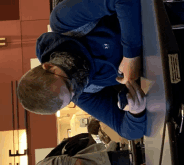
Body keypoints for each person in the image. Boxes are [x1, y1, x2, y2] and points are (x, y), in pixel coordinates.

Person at [17, 0, 147, 141]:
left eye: (67, 84)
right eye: (71, 96)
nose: (77, 88)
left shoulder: (63, 22)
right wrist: (136, 112)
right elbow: (128, 132)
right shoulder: (82, 93)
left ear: (49, 66)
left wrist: (131, 55)